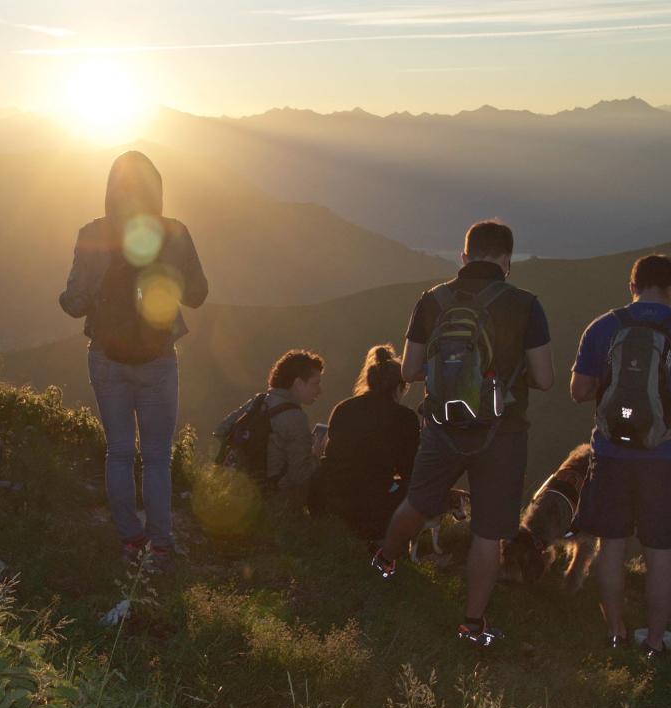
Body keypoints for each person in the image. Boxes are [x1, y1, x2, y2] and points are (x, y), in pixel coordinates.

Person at [373, 220, 554, 648]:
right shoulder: (526, 305)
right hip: (503, 432)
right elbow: (545, 378)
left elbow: (409, 371)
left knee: (419, 501)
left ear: (464, 255)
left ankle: (384, 561)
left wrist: (451, 373)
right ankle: (472, 625)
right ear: (507, 260)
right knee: (488, 533)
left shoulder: (432, 299)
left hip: (442, 426)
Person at [60, 151, 208, 572]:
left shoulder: (92, 233)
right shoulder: (175, 232)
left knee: (120, 452)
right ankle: (161, 547)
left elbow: (74, 304)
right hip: (157, 358)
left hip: (105, 357)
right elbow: (197, 295)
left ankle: (130, 540)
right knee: (157, 457)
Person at [570, 254, 671, 658]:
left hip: (611, 454)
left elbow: (578, 391)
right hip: (666, 458)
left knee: (611, 548)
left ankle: (616, 633)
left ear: (632, 286)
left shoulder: (602, 326)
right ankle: (655, 643)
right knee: (660, 558)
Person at [319, 345, 419, 541]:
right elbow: (409, 468)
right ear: (400, 386)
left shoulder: (344, 408)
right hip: (375, 499)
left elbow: (332, 454)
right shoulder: (405, 418)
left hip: (333, 494)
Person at [215, 349, 325, 508]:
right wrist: (315, 456)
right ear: (298, 383)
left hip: (238, 492)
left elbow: (221, 431)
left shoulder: (259, 401)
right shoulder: (296, 418)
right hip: (272, 502)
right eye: (315, 383)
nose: (319, 390)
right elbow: (300, 475)